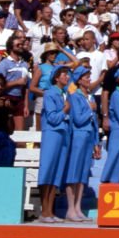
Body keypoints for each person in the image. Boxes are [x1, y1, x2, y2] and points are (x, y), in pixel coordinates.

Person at [65, 65, 100, 221]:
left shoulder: (89, 96)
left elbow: (95, 123)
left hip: (89, 136)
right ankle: (70, 208)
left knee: (83, 173)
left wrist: (96, 143)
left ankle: (78, 207)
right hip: (78, 136)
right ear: (79, 80)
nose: (89, 79)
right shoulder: (74, 96)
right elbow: (78, 119)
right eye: (86, 77)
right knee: (74, 171)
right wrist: (90, 110)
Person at [38, 66, 72, 222]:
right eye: (64, 74)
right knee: (48, 169)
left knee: (57, 172)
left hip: (63, 133)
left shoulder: (65, 94)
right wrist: (64, 111)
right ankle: (44, 211)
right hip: (52, 133)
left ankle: (50, 211)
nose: (66, 77)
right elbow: (52, 118)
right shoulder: (50, 93)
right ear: (56, 77)